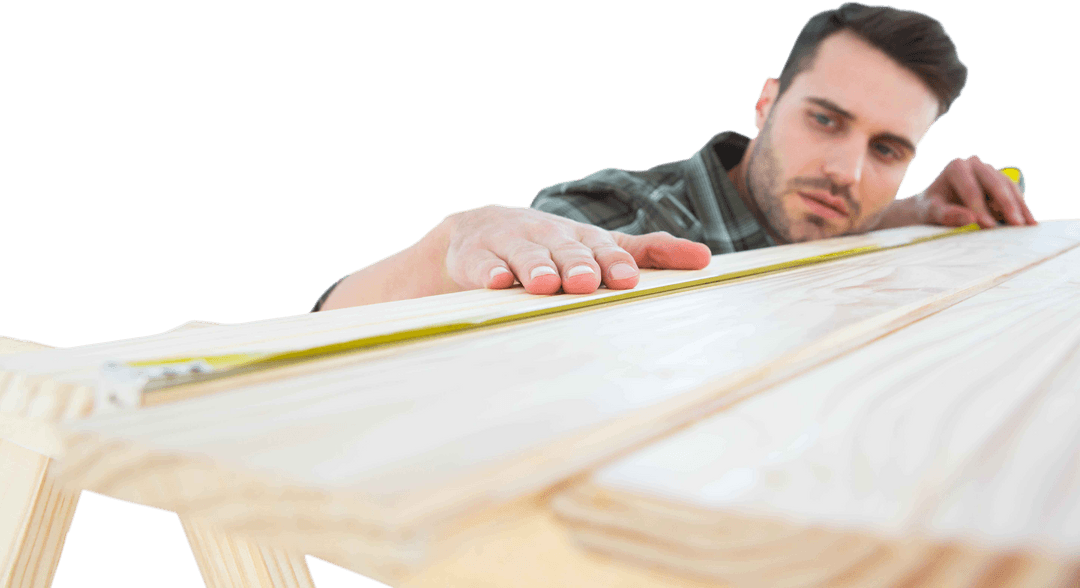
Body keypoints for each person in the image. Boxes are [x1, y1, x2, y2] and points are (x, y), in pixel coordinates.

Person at [312, 2, 1036, 313]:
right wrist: (444, 251)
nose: (848, 173)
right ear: (765, 106)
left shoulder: (847, 213)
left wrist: (914, 214)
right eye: (825, 119)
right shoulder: (619, 219)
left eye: (887, 149)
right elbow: (334, 351)